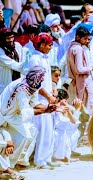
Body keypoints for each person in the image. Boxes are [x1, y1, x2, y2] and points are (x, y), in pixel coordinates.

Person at [0, 66, 53, 168]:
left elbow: (34, 103)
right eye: (41, 76)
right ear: (35, 76)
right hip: (6, 114)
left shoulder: (33, 84)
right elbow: (26, 112)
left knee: (32, 132)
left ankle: (16, 163)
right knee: (24, 136)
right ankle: (8, 166)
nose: (43, 79)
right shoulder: (22, 88)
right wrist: (45, 110)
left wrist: (49, 108)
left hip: (14, 114)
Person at [24, 33, 61, 169]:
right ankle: (40, 160)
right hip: (39, 99)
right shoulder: (35, 59)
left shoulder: (45, 58)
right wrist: (48, 97)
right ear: (42, 45)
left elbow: (46, 80)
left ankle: (47, 157)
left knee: (50, 129)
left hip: (48, 97)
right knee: (43, 130)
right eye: (49, 45)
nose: (51, 47)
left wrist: (53, 91)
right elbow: (35, 83)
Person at [67, 25, 93, 113]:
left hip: (78, 83)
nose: (87, 41)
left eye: (88, 39)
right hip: (83, 84)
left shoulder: (71, 47)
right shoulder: (78, 49)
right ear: (78, 37)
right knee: (88, 110)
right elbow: (79, 69)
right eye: (85, 39)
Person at [53, 89, 81, 163]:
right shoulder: (55, 108)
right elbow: (70, 124)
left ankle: (66, 156)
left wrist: (74, 109)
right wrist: (74, 110)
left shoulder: (63, 109)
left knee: (73, 132)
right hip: (55, 134)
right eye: (65, 101)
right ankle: (60, 157)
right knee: (65, 133)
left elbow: (73, 122)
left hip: (61, 132)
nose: (66, 103)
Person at [0, 28, 27, 94]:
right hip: (5, 86)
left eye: (12, 37)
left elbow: (23, 60)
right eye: (8, 38)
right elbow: (13, 64)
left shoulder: (17, 45)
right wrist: (27, 67)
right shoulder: (0, 51)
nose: (11, 40)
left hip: (19, 84)